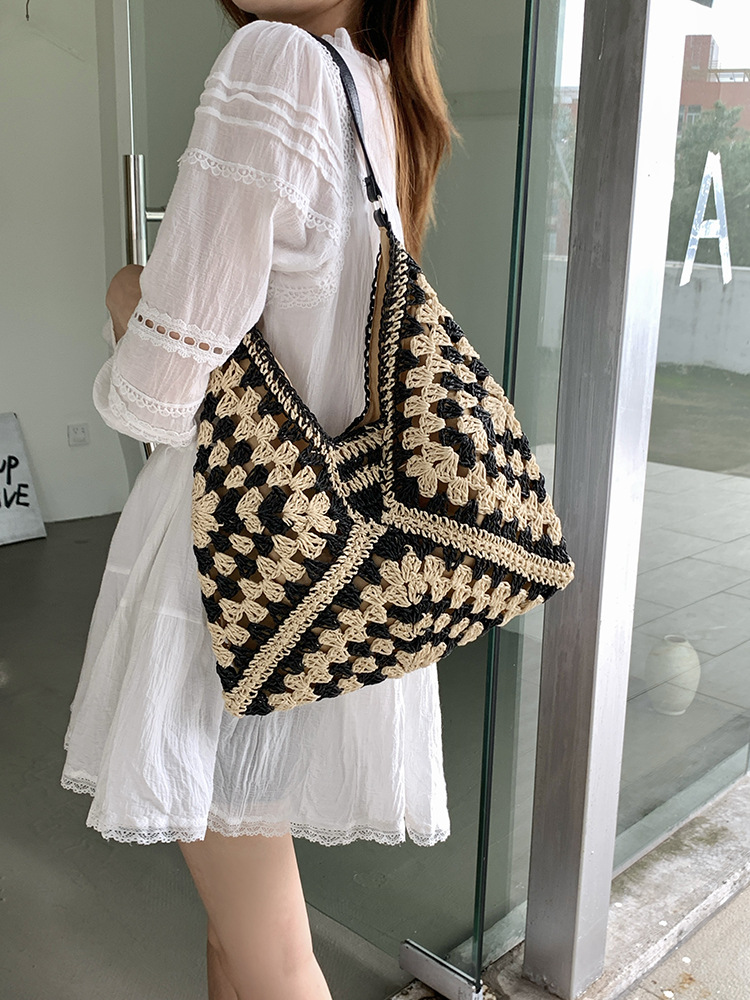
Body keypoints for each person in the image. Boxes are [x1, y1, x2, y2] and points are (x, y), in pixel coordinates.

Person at [61, 1, 455, 997]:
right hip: (325, 560)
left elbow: (158, 390)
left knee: (272, 952)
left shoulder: (271, 61)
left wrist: (125, 293)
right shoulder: (379, 90)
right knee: (239, 933)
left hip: (223, 569)